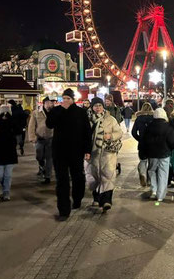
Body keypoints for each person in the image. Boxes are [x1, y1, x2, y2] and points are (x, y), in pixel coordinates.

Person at [46, 88, 92, 219]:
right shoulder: (56, 111)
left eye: (68, 99)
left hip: (76, 151)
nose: (66, 101)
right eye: (64, 98)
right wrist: (59, 110)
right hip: (59, 151)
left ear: (73, 100)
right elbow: (49, 124)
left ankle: (77, 199)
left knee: (77, 177)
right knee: (62, 180)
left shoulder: (80, 112)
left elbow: (87, 132)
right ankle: (63, 210)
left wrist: (87, 150)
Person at [87, 97, 123, 212]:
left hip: (107, 152)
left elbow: (119, 132)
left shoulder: (110, 119)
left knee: (108, 176)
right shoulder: (87, 119)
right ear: (92, 107)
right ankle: (97, 198)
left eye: (100, 106)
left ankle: (107, 201)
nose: (98, 108)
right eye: (95, 106)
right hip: (92, 153)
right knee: (94, 177)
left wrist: (110, 136)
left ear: (103, 107)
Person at [143, 108, 174, 205]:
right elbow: (171, 141)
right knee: (163, 173)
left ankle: (154, 190)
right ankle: (160, 195)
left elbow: (145, 141)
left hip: (152, 154)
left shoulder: (149, 126)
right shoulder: (168, 126)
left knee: (152, 171)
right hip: (164, 153)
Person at [0, 104, 19, 201]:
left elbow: (18, 129)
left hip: (10, 150)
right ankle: (5, 187)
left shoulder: (12, 120)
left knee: (8, 174)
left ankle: (6, 192)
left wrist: (10, 118)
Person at [28, 97, 54, 184]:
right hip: (39, 138)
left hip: (51, 138)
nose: (51, 104)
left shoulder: (55, 113)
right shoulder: (36, 113)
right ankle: (41, 165)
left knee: (49, 158)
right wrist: (32, 137)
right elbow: (31, 126)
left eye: (52, 103)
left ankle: (48, 177)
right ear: (44, 103)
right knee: (39, 156)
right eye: (49, 102)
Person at [132, 103, 154, 187]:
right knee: (151, 162)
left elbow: (133, 132)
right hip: (152, 143)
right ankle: (149, 180)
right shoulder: (154, 118)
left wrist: (139, 139)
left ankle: (142, 174)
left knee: (143, 160)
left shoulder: (139, 118)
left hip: (142, 143)